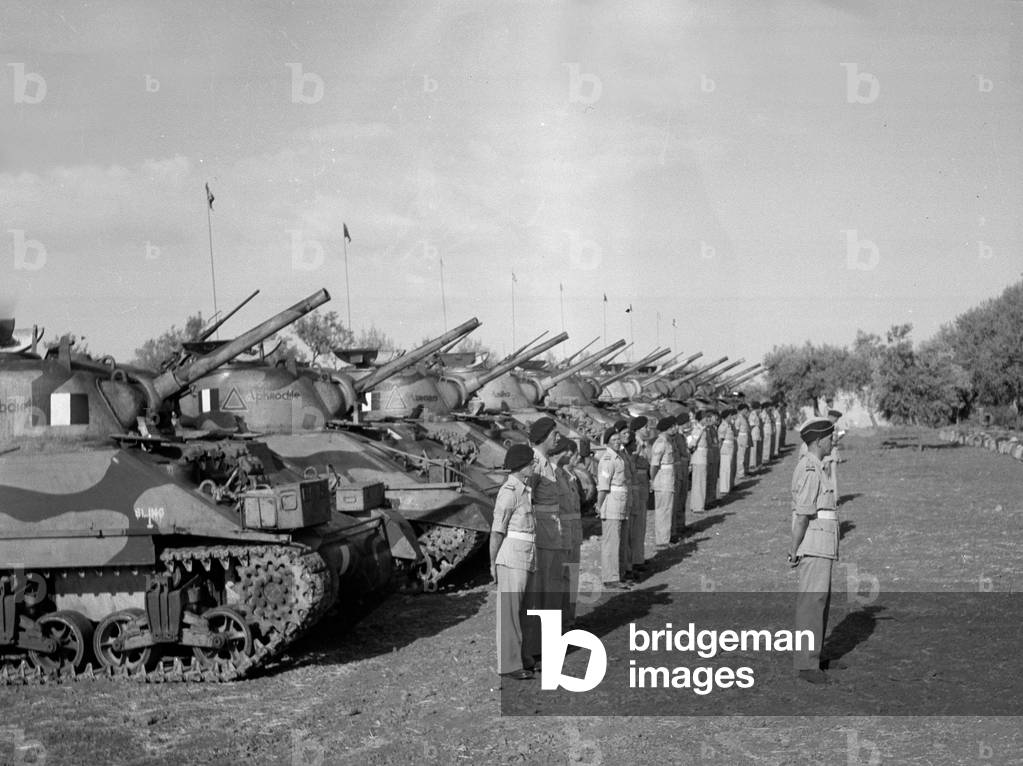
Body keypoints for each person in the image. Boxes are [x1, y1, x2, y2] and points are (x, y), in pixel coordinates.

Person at [789, 417, 840, 684]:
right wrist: (793, 549)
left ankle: (814, 657)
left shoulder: (817, 467)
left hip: (823, 543)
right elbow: (802, 515)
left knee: (820, 602)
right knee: (812, 603)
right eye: (830, 438)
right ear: (819, 441)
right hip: (813, 543)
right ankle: (805, 665)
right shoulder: (809, 468)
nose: (834, 441)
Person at [491, 443, 537, 680]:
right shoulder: (509, 492)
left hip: (525, 554)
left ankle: (524, 657)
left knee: (524, 611)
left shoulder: (524, 490)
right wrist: (493, 563)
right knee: (509, 613)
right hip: (511, 557)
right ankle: (509, 665)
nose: (534, 465)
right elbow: (497, 532)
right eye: (531, 463)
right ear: (521, 467)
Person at [522, 416, 565, 665]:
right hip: (542, 535)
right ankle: (535, 648)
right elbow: (527, 501)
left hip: (553, 532)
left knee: (551, 590)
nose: (558, 438)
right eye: (554, 435)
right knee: (540, 593)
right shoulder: (535, 465)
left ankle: (547, 645)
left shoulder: (545, 463)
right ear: (543, 438)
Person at [596, 426, 632, 589]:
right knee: (612, 541)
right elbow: (603, 486)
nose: (618, 442)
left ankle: (620, 572)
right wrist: (599, 505)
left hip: (620, 503)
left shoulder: (619, 457)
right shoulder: (608, 460)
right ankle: (610, 577)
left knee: (621, 540)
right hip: (611, 504)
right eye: (614, 440)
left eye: (619, 439)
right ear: (608, 442)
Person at [553, 437, 583, 625]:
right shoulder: (555, 476)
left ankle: (569, 618)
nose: (573, 456)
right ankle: (561, 620)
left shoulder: (569, 477)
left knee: (572, 576)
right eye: (570, 452)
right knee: (561, 578)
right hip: (561, 533)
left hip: (573, 532)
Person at [627, 416, 652, 575]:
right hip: (636, 484)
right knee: (636, 525)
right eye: (645, 428)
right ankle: (635, 560)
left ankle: (639, 557)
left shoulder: (644, 444)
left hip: (643, 482)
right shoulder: (634, 444)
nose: (647, 430)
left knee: (641, 524)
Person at [649, 415, 677, 550]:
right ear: (667, 428)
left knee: (667, 508)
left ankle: (665, 537)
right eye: (673, 426)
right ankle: (662, 540)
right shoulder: (661, 443)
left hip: (667, 478)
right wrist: (652, 480)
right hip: (662, 480)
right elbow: (654, 465)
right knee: (663, 509)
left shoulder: (667, 441)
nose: (675, 428)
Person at [687, 409, 713, 514]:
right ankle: (698, 506)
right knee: (699, 482)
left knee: (701, 481)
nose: (707, 420)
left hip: (702, 457)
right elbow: (692, 444)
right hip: (699, 458)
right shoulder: (698, 429)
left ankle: (698, 504)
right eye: (705, 418)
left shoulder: (704, 429)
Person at [717, 407, 736, 496]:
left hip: (730, 447)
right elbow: (720, 439)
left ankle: (729, 486)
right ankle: (724, 489)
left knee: (730, 467)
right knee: (725, 468)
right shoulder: (723, 426)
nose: (731, 418)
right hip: (725, 448)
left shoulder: (730, 425)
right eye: (729, 416)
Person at [735, 401, 751, 480]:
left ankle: (745, 471)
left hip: (745, 438)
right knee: (741, 456)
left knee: (745, 455)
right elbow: (736, 430)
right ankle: (740, 474)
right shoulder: (739, 418)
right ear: (742, 410)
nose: (747, 412)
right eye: (746, 410)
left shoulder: (744, 418)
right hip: (741, 438)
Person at [749, 401, 763, 473]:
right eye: (759, 408)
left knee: (758, 450)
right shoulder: (752, 415)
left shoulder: (757, 415)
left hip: (757, 433)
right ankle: (753, 465)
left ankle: (758, 464)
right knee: (753, 450)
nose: (760, 410)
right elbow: (751, 425)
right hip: (754, 433)